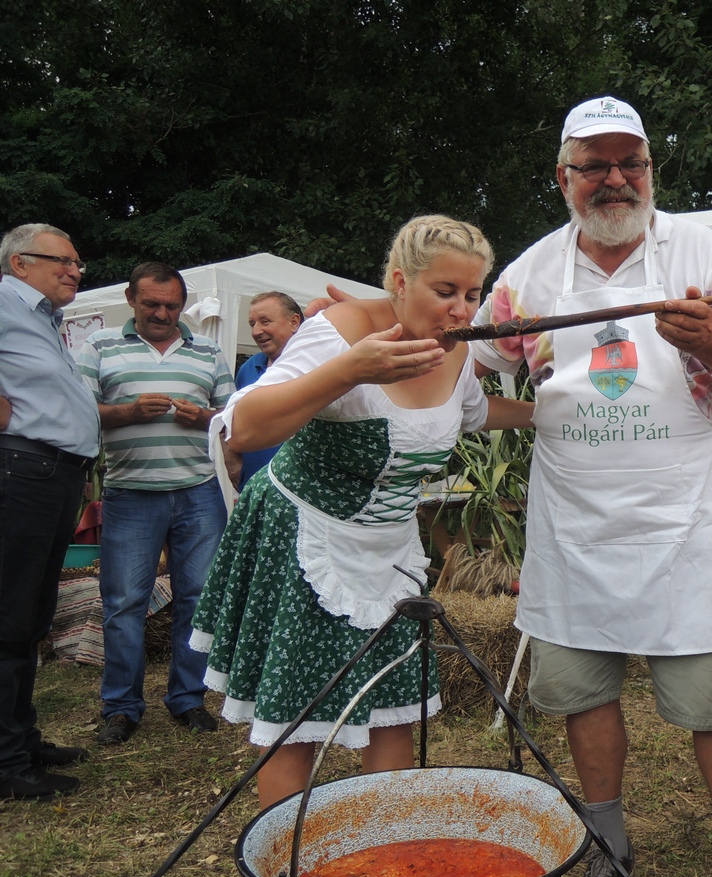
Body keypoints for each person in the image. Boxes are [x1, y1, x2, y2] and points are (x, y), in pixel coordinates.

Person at [468, 97, 712, 877]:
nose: (615, 180)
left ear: (650, 169)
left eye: (631, 163)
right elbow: (471, 373)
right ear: (564, 176)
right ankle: (609, 845)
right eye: (595, 164)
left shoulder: (697, 252)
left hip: (680, 526)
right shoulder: (529, 275)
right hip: (573, 527)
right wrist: (518, 416)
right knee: (582, 692)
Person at [190, 215, 533, 810]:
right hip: (308, 536)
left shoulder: (455, 350)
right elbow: (244, 428)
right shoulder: (342, 330)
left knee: (392, 707)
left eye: (473, 294)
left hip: (391, 548)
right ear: (400, 281)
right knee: (298, 715)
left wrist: (557, 412)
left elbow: (473, 412)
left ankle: (384, 850)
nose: (461, 310)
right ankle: (289, 868)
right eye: (445, 292)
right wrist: (351, 368)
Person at [78, 262, 235, 746]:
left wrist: (204, 416)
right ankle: (121, 708)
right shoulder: (99, 345)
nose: (162, 313)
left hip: (198, 492)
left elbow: (235, 418)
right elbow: (78, 412)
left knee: (199, 598)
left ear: (183, 305)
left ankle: (187, 699)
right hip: (129, 494)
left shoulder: (208, 350)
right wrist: (126, 411)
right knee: (124, 603)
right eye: (151, 304)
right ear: (130, 299)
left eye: (171, 305)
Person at [0, 224, 99, 800]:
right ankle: (6, 760)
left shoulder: (43, 318)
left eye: (77, 263)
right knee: (9, 617)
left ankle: (21, 739)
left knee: (32, 616)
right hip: (21, 470)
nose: (74, 271)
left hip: (51, 474)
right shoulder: (5, 301)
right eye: (62, 261)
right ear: (20, 263)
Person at [232, 291, 304, 489]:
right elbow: (232, 422)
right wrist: (233, 462)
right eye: (252, 324)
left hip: (305, 493)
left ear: (294, 322)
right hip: (256, 488)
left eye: (265, 321)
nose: (256, 331)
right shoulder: (249, 368)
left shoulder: (319, 366)